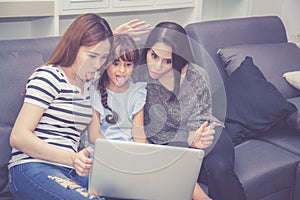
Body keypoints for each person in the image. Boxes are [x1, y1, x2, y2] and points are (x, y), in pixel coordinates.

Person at [8, 13, 150, 200]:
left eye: (102, 58)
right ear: (74, 46)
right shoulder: (49, 76)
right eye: (92, 56)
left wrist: (114, 38)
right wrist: (72, 158)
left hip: (72, 170)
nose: (97, 64)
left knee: (142, 189)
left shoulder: (90, 83)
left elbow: (105, 58)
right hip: (33, 166)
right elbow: (18, 137)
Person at [133, 21, 247, 200]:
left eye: (167, 61)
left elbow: (200, 122)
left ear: (178, 59)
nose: (156, 66)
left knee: (220, 169)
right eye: (153, 55)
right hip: (168, 144)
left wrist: (195, 139)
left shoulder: (196, 75)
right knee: (186, 176)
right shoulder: (138, 73)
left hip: (204, 132)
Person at [88, 34, 147, 144]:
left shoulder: (137, 92)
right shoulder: (95, 91)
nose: (122, 70)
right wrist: (115, 152)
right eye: (116, 64)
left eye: (128, 64)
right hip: (104, 149)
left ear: (134, 66)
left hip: (129, 152)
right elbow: (93, 135)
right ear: (105, 64)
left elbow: (139, 135)